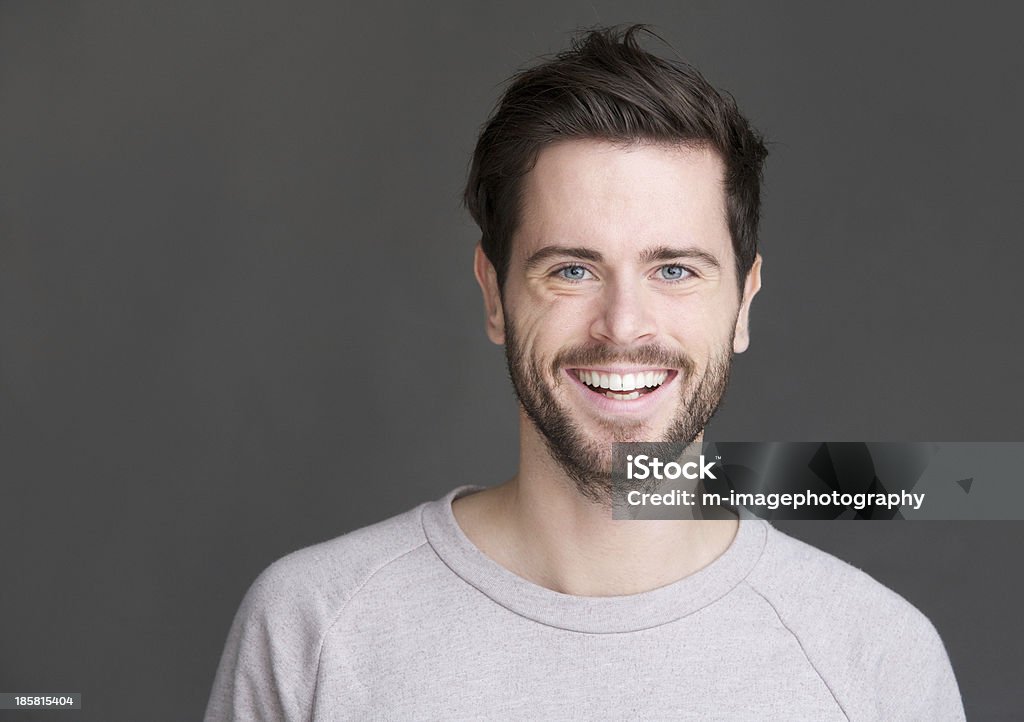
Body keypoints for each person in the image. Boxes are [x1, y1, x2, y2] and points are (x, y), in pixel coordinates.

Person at [205, 25, 965, 720]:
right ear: (493, 294)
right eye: (570, 270)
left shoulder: (878, 660)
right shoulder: (314, 627)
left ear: (743, 304)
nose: (623, 324)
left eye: (674, 270)